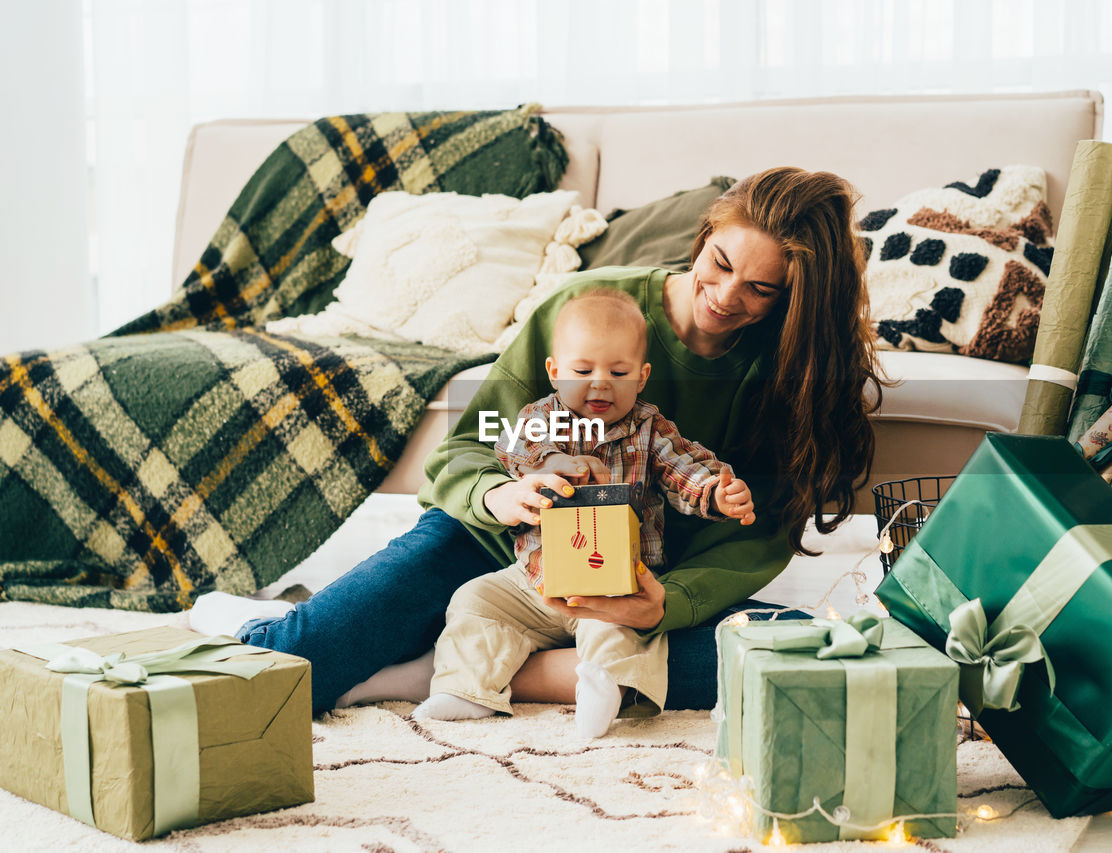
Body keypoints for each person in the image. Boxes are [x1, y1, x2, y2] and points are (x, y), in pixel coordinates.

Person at [189, 166, 883, 715]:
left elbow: (756, 532)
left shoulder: (792, 370)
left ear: (792, 297)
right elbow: (467, 449)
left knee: (811, 657)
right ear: (705, 233)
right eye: (721, 262)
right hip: (494, 552)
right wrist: (502, 494)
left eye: (762, 289)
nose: (728, 297)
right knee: (296, 666)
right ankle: (343, 631)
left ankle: (450, 660)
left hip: (646, 586)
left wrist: (665, 604)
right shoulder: (586, 306)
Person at [418, 288, 756, 737]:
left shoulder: (649, 430)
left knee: (620, 631)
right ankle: (465, 688)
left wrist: (715, 493)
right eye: (582, 370)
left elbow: (684, 470)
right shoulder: (541, 418)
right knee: (475, 600)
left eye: (618, 372)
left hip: (614, 581)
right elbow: (511, 446)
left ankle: (603, 688)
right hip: (537, 577)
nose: (600, 383)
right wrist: (547, 462)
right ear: (555, 373)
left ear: (641, 376)